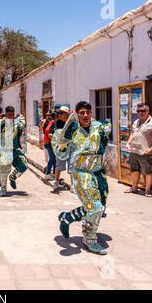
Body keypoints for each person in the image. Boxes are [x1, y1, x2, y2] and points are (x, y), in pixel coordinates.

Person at [55, 102, 112, 255]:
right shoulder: (72, 130)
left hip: (98, 171)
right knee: (95, 207)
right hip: (81, 172)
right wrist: (64, 139)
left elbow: (105, 141)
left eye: (87, 112)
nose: (85, 115)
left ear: (91, 113)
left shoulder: (99, 127)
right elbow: (60, 153)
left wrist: (107, 131)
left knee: (100, 206)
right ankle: (89, 239)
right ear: (77, 114)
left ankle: (68, 217)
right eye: (82, 113)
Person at [126, 103, 152, 197]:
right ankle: (134, 187)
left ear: (148, 111)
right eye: (138, 111)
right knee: (134, 169)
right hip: (134, 150)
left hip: (145, 150)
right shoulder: (136, 121)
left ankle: (148, 190)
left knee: (148, 171)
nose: (140, 113)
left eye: (143, 111)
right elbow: (133, 133)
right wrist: (129, 142)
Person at [0, 106, 28, 197]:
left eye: (12, 115)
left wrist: (23, 148)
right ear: (6, 114)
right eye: (9, 115)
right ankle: (3, 188)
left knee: (24, 166)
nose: (10, 116)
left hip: (16, 149)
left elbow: (22, 136)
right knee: (5, 170)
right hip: (5, 150)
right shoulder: (1, 124)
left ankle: (12, 177)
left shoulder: (18, 123)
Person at [50, 106, 75, 193]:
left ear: (67, 114)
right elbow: (50, 134)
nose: (60, 115)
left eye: (62, 113)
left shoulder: (72, 123)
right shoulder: (56, 123)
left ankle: (73, 185)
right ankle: (56, 182)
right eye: (60, 113)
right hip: (61, 148)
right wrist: (58, 139)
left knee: (72, 166)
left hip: (71, 147)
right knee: (58, 166)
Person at [44, 112, 58, 181]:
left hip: (48, 143)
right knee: (52, 159)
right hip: (50, 144)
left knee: (54, 159)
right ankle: (47, 173)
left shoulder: (49, 122)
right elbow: (50, 133)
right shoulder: (53, 123)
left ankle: (54, 173)